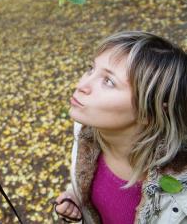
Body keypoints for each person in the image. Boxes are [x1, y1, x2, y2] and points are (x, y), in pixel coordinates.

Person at [54, 31, 187, 223]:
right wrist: (76, 197)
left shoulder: (180, 196)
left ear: (149, 111)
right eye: (91, 69)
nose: (82, 84)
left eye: (108, 81)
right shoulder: (85, 135)